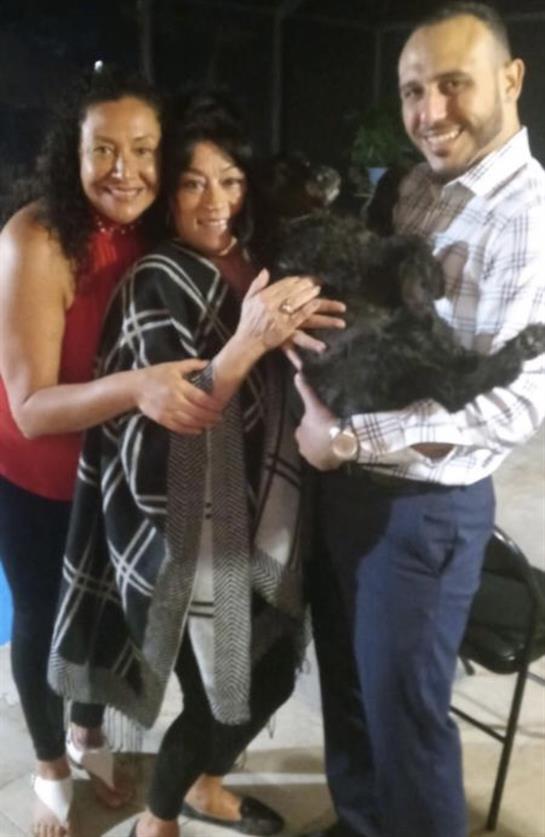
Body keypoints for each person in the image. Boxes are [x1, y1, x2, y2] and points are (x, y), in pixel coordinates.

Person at [47, 91, 345, 837]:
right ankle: (160, 815)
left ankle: (205, 783)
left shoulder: (261, 265)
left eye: (230, 180)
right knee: (224, 691)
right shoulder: (156, 278)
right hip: (186, 532)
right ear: (170, 195)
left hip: (263, 515)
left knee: (268, 673)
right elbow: (170, 428)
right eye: (192, 182)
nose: (214, 201)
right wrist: (248, 342)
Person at [293, 4, 545, 837]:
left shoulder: (528, 219)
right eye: (410, 91)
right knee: (352, 698)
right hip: (347, 496)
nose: (428, 112)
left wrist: (345, 438)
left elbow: (516, 403)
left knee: (408, 727)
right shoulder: (414, 188)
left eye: (451, 84)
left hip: (421, 512)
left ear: (511, 79)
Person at [0, 69, 224, 837]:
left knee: (101, 608)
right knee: (41, 615)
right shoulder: (36, 235)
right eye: (104, 149)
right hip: (38, 473)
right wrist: (141, 386)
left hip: (120, 474)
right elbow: (29, 409)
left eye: (143, 149)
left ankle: (88, 731)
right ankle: (50, 764)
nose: (123, 169)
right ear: (73, 152)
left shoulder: (156, 232)